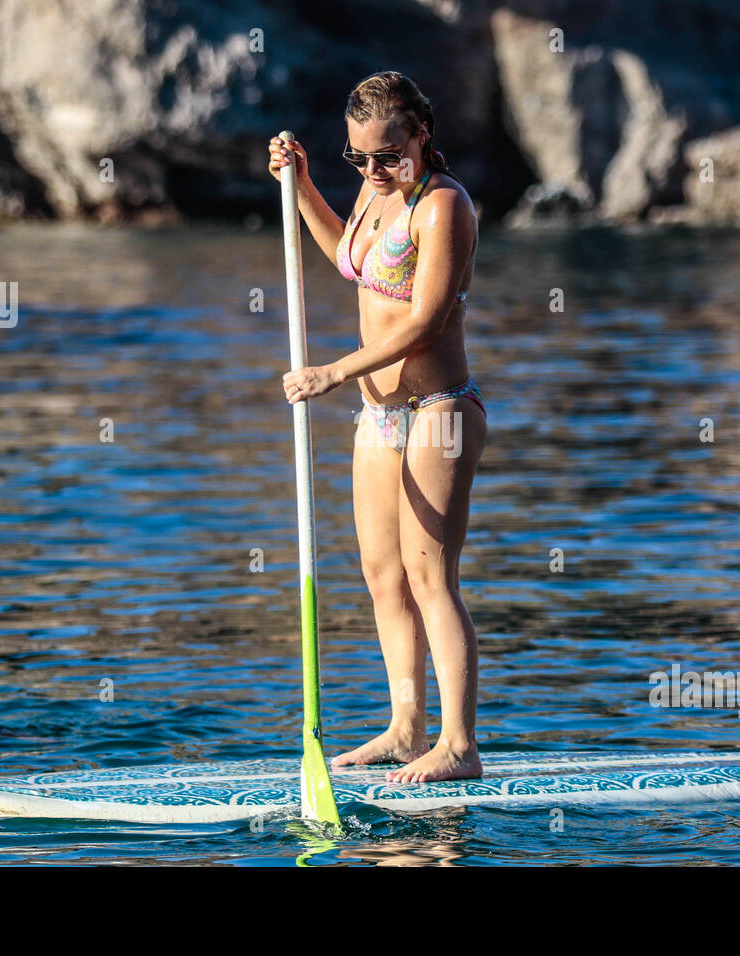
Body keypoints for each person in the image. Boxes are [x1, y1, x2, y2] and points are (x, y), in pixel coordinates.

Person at [268, 71, 485, 783]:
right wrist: (301, 186)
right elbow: (346, 259)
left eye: (388, 155)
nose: (374, 169)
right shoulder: (374, 190)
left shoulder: (441, 206)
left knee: (430, 577)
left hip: (439, 409)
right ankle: (403, 728)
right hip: (381, 414)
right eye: (359, 157)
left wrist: (332, 372)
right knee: (382, 575)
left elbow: (425, 319)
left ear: (422, 133)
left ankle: (457, 744)